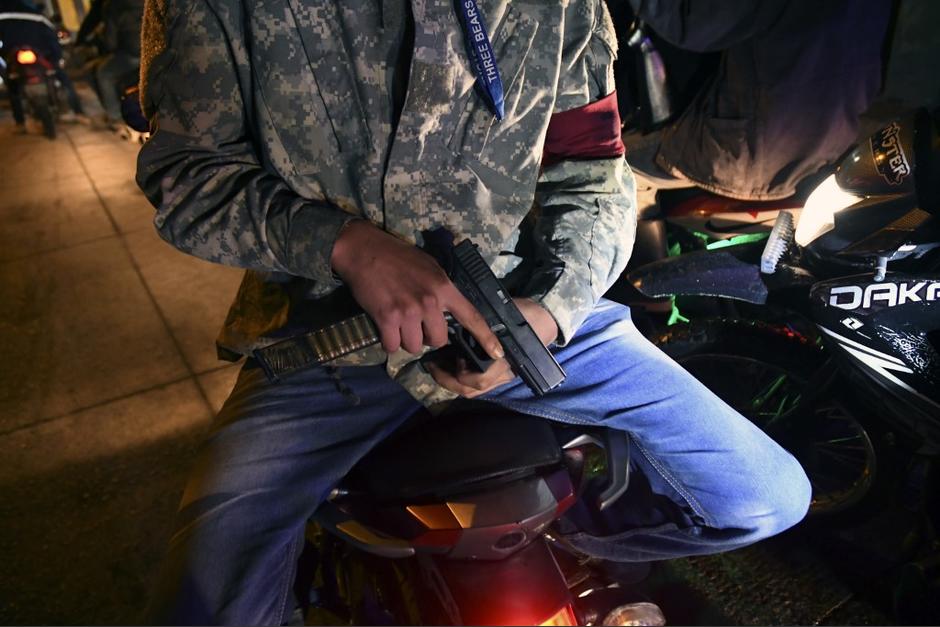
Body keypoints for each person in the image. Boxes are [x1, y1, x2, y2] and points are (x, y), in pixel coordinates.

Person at [136, 0, 811, 623]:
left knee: (765, 495)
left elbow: (594, 168)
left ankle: (575, 547)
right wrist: (345, 247)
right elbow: (184, 175)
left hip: (522, 315)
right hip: (324, 342)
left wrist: (550, 308)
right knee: (202, 603)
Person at [619, 0, 893, 271]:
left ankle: (646, 292)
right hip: (835, 137)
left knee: (616, 162)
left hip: (754, 149)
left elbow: (689, 24)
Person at [0, 0, 85, 130]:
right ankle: (79, 112)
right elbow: (51, 38)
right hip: (39, 55)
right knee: (62, 77)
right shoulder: (36, 13)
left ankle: (20, 122)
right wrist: (56, 58)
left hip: (16, 55)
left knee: (12, 84)